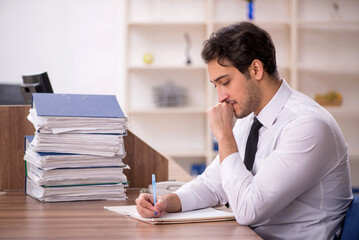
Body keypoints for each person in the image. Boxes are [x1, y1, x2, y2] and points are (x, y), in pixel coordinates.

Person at [135, 22, 353, 239]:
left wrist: (224, 136)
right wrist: (166, 202)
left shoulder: (307, 126)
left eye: (225, 82)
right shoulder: (249, 120)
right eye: (216, 86)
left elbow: (248, 210)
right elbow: (213, 184)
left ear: (256, 69)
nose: (220, 97)